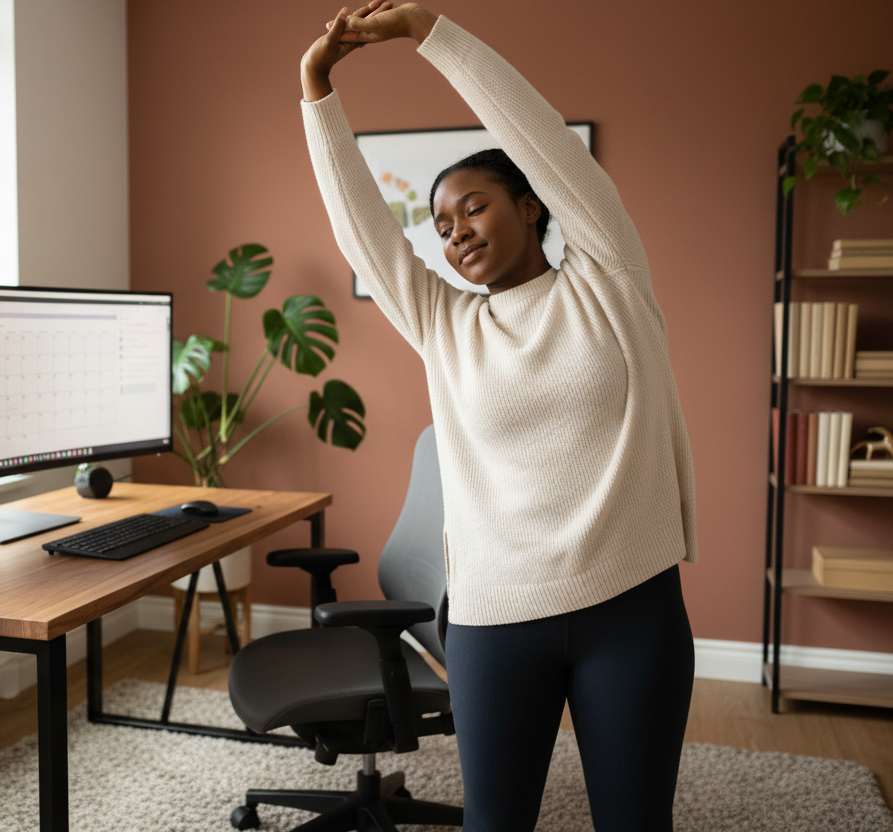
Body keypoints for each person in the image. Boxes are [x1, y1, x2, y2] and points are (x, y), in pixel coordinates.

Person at [299, 4, 698, 831]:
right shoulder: (446, 326)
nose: (455, 235)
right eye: (441, 227)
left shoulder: (609, 281)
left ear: (533, 205)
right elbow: (364, 231)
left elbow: (542, 135)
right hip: (492, 621)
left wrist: (431, 34)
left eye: (473, 208)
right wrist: (316, 92)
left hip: (630, 607)